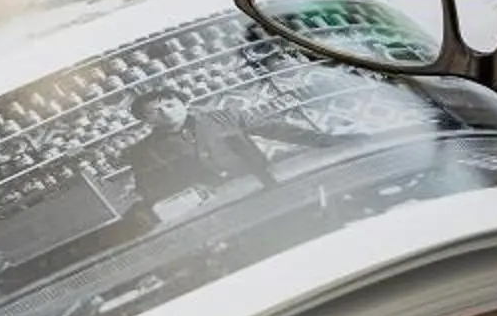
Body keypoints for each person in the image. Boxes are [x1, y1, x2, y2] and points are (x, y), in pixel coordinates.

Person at [119, 88, 340, 226]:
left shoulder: (225, 117)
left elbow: (275, 129)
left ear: (184, 103)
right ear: (145, 120)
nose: (166, 112)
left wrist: (326, 141)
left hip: (263, 184)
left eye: (170, 105)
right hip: (212, 209)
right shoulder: (144, 151)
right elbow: (150, 190)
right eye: (154, 111)